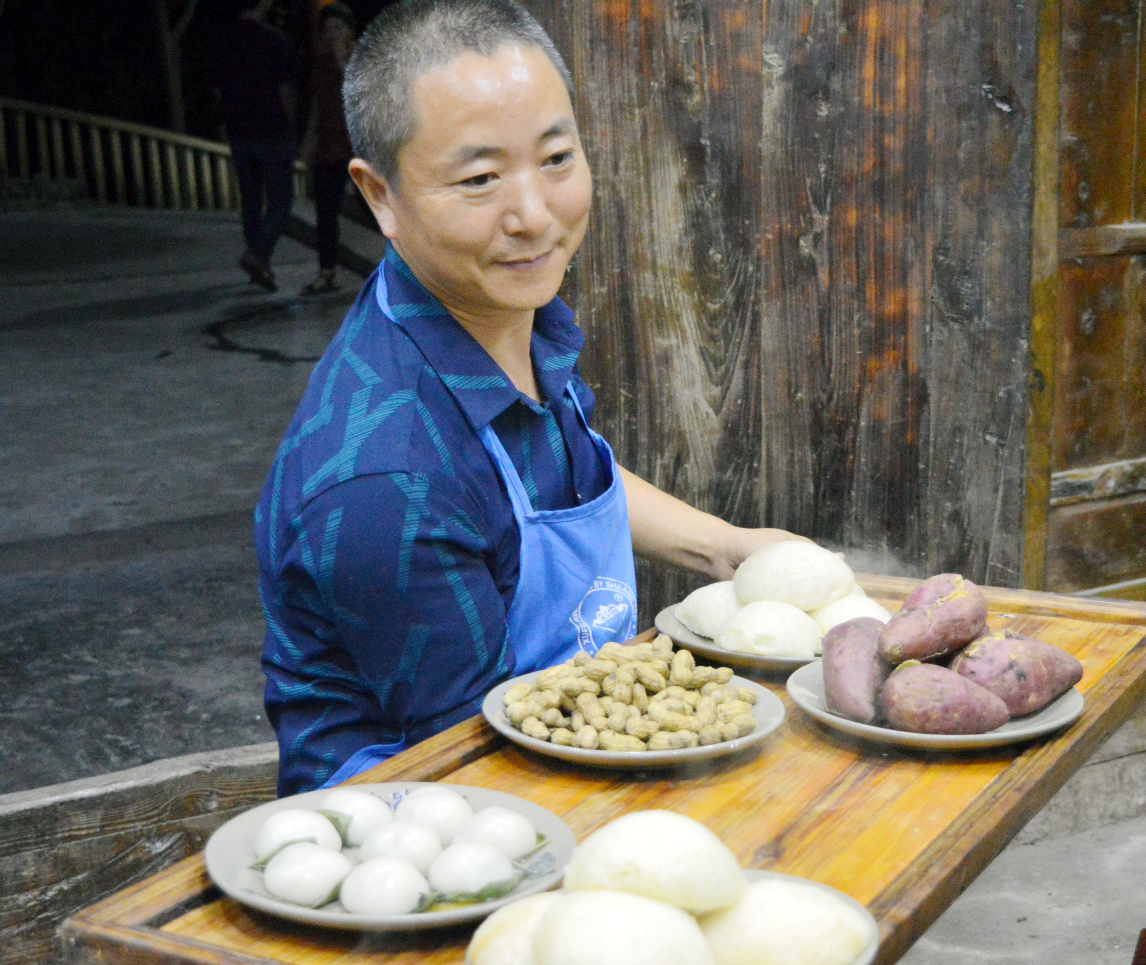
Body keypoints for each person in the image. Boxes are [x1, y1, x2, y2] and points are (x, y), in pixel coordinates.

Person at [255, 0, 800, 795]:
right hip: (434, 837)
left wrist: (728, 548)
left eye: (555, 158)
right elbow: (484, 774)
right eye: (479, 180)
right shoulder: (386, 484)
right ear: (380, 197)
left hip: (557, 751)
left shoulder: (493, 311)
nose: (535, 217)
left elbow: (554, 479)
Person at [210, 0, 296, 292]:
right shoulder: (273, 39)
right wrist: (291, 123)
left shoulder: (222, 39)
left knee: (250, 200)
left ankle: (260, 266)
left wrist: (225, 121)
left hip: (239, 131)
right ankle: (257, 256)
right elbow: (284, 87)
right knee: (281, 201)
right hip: (271, 129)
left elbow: (219, 89)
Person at [299, 0, 358, 296]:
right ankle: (326, 272)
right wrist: (308, 145)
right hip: (330, 147)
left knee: (373, 208)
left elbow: (357, 94)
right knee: (325, 212)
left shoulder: (361, 59)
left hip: (359, 146)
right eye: (328, 29)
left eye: (339, 28)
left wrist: (340, 59)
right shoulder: (320, 66)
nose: (333, 34)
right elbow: (317, 107)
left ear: (350, 31)